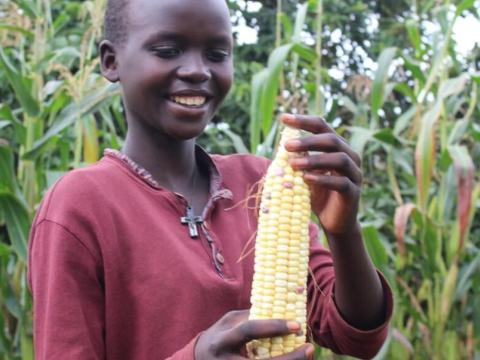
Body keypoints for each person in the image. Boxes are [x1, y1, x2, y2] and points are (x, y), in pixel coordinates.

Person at [27, 0, 393, 359]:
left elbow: (356, 335)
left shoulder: (259, 182)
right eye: (168, 50)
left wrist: (344, 232)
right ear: (111, 61)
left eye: (217, 54)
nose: (198, 70)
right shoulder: (80, 205)